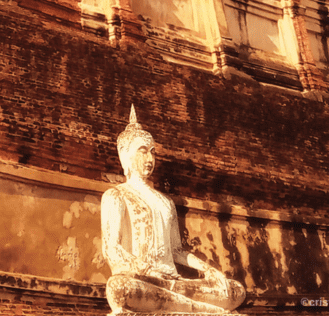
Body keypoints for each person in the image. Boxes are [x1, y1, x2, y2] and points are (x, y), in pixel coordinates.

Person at [101, 106, 245, 314]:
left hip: (175, 283)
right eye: (142, 151)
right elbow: (111, 249)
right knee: (119, 289)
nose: (149, 159)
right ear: (124, 155)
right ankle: (203, 309)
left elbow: (176, 251)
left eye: (152, 153)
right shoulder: (116, 195)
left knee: (233, 290)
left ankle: (187, 303)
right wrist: (149, 272)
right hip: (144, 281)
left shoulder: (165, 201)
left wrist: (208, 270)